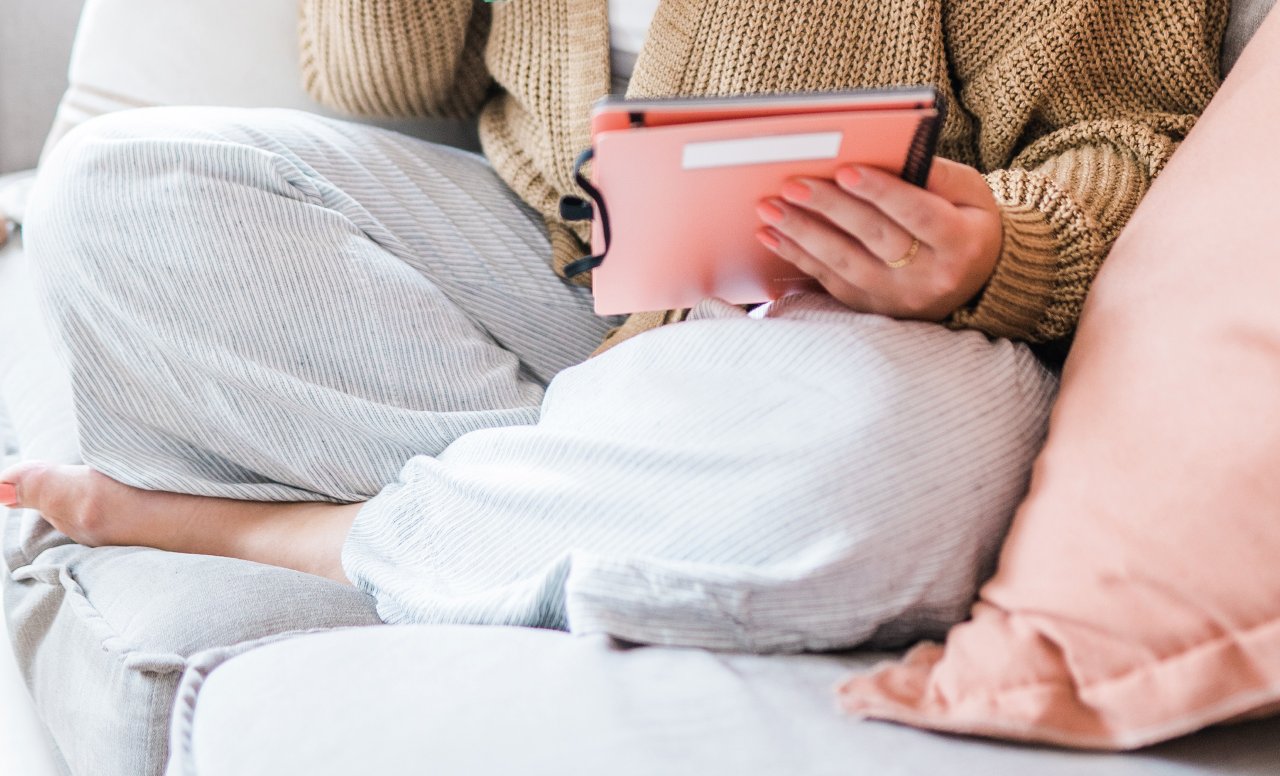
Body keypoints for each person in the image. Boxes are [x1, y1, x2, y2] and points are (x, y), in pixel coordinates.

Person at [0, 1, 1225, 651]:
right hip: (556, 269)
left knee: (878, 471)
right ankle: (619, 502)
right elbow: (383, 81)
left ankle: (311, 536)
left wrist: (988, 251)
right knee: (119, 184)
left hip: (849, 324)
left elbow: (1128, 139)